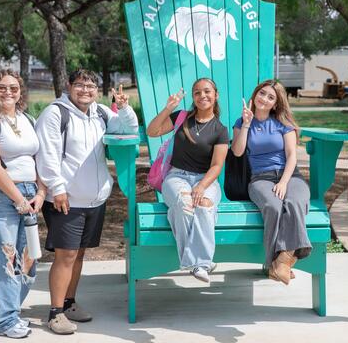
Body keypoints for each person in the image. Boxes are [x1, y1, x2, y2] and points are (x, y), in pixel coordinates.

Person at [35, 69, 138, 335]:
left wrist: (124, 109)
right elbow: (46, 155)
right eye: (80, 85)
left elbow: (128, 128)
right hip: (65, 199)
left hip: (94, 199)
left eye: (91, 86)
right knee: (65, 254)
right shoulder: (56, 113)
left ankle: (69, 304)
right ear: (69, 86)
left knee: (79, 254)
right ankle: (55, 313)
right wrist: (57, 189)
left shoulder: (101, 113)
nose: (85, 90)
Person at [0, 69, 46, 339]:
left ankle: (1, 315)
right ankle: (5, 321)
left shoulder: (27, 118)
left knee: (28, 261)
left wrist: (40, 192)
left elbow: (40, 159)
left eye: (14, 88)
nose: (8, 92)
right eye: (2, 87)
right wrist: (19, 199)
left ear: (21, 91)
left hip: (29, 195)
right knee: (6, 259)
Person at [146, 78, 229, 283]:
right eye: (197, 92)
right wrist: (168, 108)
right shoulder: (181, 117)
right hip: (176, 176)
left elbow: (217, 166)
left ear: (216, 95)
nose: (203, 96)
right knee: (184, 204)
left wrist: (201, 186)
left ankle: (194, 264)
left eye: (207, 91)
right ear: (193, 97)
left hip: (206, 179)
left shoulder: (220, 130)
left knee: (203, 205)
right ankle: (201, 263)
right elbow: (152, 131)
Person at [230, 80, 311, 285]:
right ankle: (276, 262)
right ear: (255, 94)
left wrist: (284, 182)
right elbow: (237, 151)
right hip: (260, 179)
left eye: (270, 97)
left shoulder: (284, 124)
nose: (264, 99)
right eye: (262, 93)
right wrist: (247, 124)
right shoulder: (241, 122)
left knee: (294, 203)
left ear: (276, 103)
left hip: (290, 176)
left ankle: (282, 262)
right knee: (274, 206)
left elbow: (292, 156)